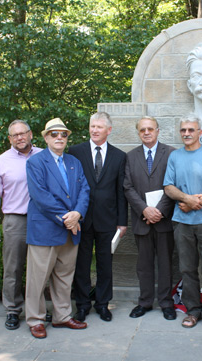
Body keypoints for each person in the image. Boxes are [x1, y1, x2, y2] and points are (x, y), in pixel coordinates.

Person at [25, 118, 90, 339]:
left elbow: (84, 191)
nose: (59, 137)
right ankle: (35, 319)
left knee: (64, 277)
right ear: (45, 137)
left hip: (70, 231)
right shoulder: (36, 162)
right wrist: (67, 219)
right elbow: (40, 196)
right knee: (37, 279)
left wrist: (78, 214)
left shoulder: (74, 162)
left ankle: (62, 316)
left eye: (63, 134)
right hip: (46, 230)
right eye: (54, 134)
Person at [163, 114, 202, 332]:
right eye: (183, 130)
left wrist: (193, 203)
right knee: (187, 269)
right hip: (182, 223)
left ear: (200, 132)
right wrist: (186, 199)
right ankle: (192, 311)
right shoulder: (175, 157)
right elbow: (168, 187)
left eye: (191, 130)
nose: (187, 134)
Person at [69, 112, 128, 322]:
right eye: (92, 126)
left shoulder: (119, 156)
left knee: (105, 264)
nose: (94, 130)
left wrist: (122, 222)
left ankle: (103, 304)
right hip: (81, 219)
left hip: (108, 219)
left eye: (99, 127)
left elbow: (121, 191)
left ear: (109, 130)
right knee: (81, 264)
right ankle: (82, 305)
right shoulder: (75, 152)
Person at [0, 120, 42, 330]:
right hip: (15, 219)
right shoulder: (1, 161)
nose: (19, 137)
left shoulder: (44, 155)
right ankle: (12, 310)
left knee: (41, 268)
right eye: (14, 135)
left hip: (41, 219)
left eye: (22, 133)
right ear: (10, 139)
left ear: (30, 134)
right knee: (13, 268)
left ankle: (38, 309)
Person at [123, 116, 176, 320]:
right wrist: (144, 210)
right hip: (141, 219)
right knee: (143, 265)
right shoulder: (130, 156)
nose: (146, 132)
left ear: (157, 131)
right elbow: (127, 187)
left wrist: (159, 210)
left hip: (164, 219)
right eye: (142, 130)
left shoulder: (171, 153)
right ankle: (144, 302)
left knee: (165, 263)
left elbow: (173, 183)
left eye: (150, 129)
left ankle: (166, 303)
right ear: (138, 132)